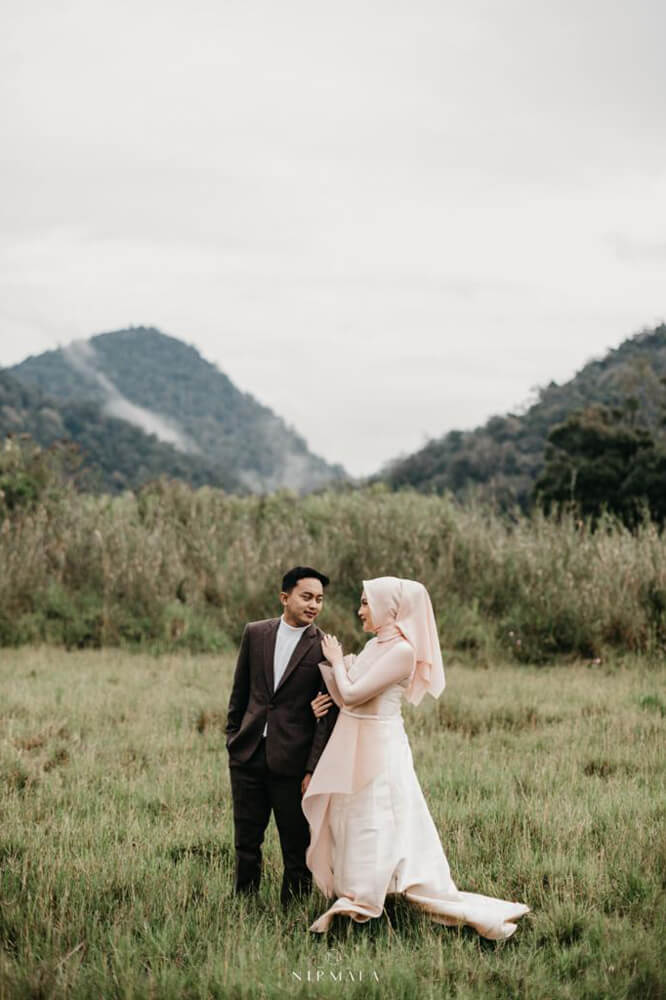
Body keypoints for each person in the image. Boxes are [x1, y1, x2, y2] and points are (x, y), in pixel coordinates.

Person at [302, 576, 529, 939]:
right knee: (354, 817)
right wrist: (322, 696)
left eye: (366, 603)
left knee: (377, 816)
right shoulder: (374, 645)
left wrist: (335, 661)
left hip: (380, 746)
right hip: (355, 742)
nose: (360, 610)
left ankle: (369, 896)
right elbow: (346, 698)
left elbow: (354, 694)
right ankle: (357, 888)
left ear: (389, 608)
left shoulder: (402, 652)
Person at [226, 566, 338, 903]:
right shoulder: (255, 633)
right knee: (246, 840)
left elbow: (326, 717)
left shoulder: (323, 646)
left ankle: (294, 910)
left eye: (319, 599)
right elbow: (240, 692)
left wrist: (311, 768)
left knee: (296, 844)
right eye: (307, 597)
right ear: (284, 597)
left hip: (293, 760)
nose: (314, 605)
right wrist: (233, 739)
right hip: (247, 754)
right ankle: (244, 903)